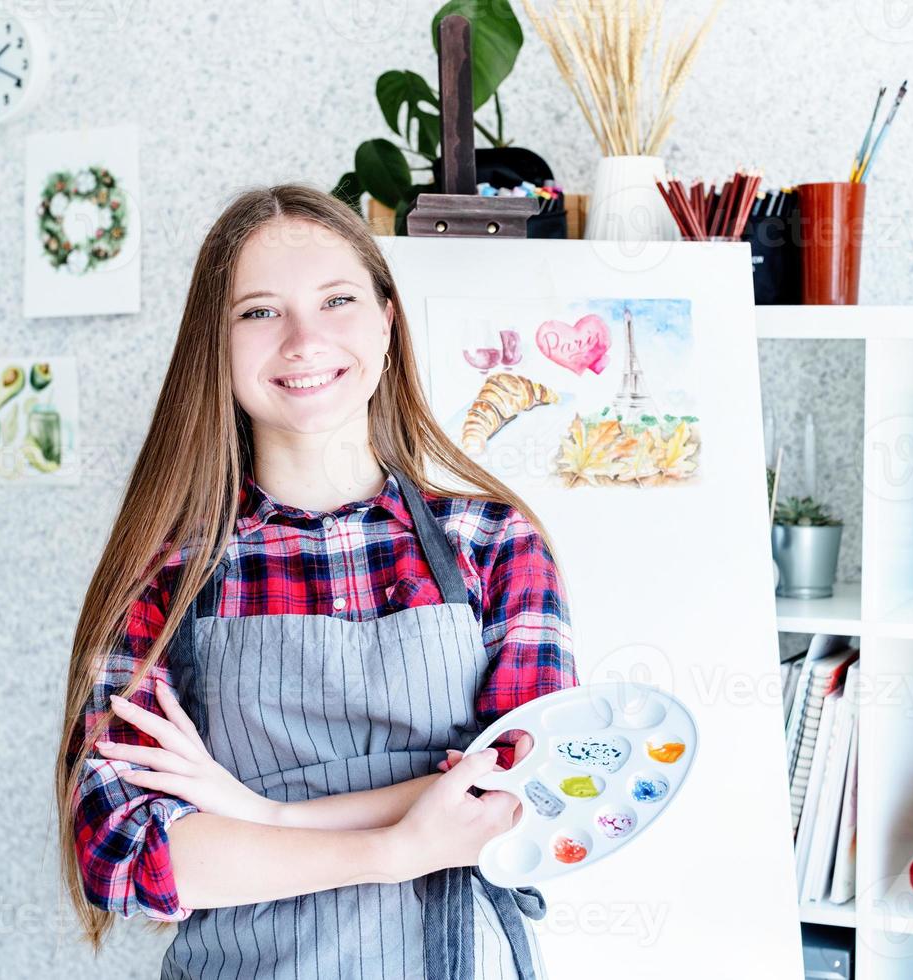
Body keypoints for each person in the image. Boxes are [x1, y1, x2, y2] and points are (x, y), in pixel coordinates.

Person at [52, 182, 578, 979]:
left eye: (336, 300)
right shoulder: (166, 574)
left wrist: (261, 815)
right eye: (260, 312)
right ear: (215, 345)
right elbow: (125, 854)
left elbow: (526, 790)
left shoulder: (496, 542)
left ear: (386, 321)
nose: (303, 340)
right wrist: (394, 849)